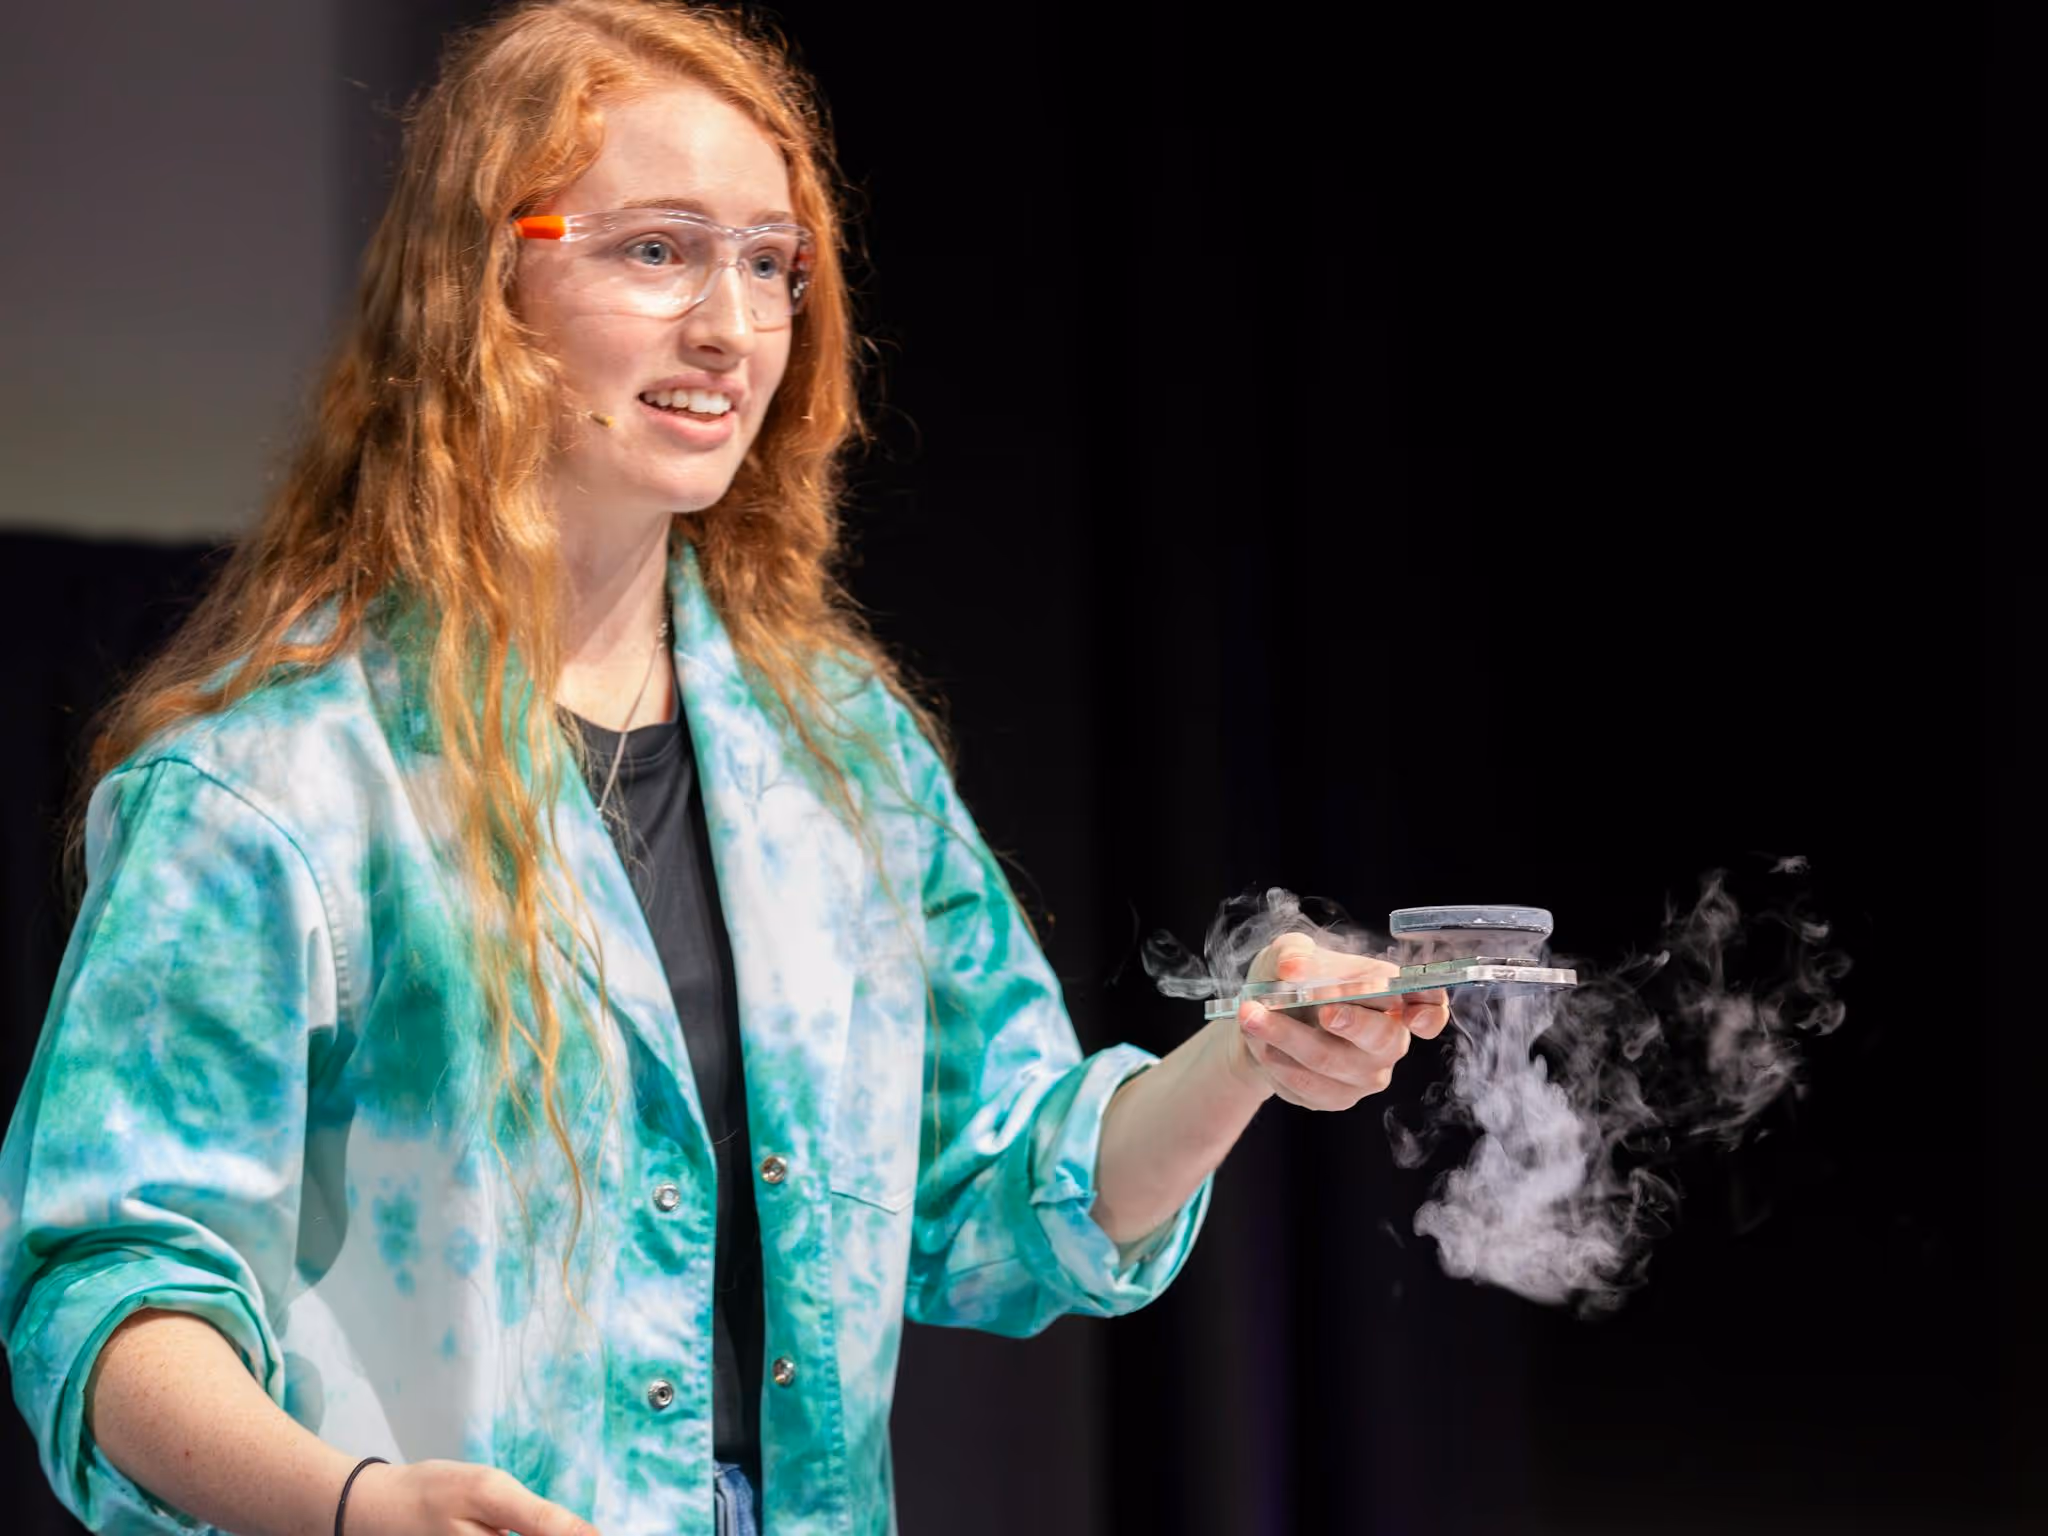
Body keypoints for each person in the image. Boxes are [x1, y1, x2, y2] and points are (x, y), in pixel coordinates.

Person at [0, 3, 1447, 1533]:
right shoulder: (273, 788)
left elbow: (1004, 1190)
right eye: (657, 251)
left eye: (769, 261)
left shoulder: (838, 759)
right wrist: (357, 1509)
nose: (732, 326)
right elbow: (114, 1298)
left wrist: (1253, 1051)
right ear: (483, 280)